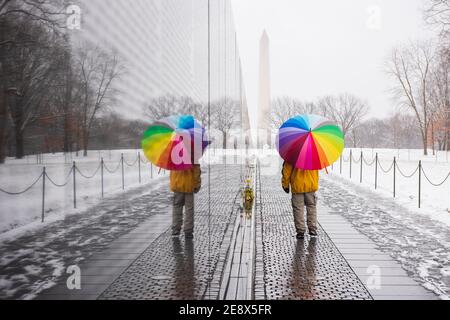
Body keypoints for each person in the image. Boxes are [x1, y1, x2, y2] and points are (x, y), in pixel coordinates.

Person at [281, 161, 319, 239]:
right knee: (311, 207)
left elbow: (286, 171)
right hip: (310, 185)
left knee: (298, 209)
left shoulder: (292, 156)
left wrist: (285, 184)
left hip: (297, 185)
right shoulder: (313, 154)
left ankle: (300, 231)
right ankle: (312, 229)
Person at [170, 164, 201, 238]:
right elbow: (196, 172)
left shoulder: (174, 154)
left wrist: (173, 183)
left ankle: (175, 229)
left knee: (177, 208)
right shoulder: (193, 155)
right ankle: (188, 231)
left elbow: (171, 171)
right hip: (189, 185)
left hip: (177, 185)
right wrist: (197, 185)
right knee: (189, 209)